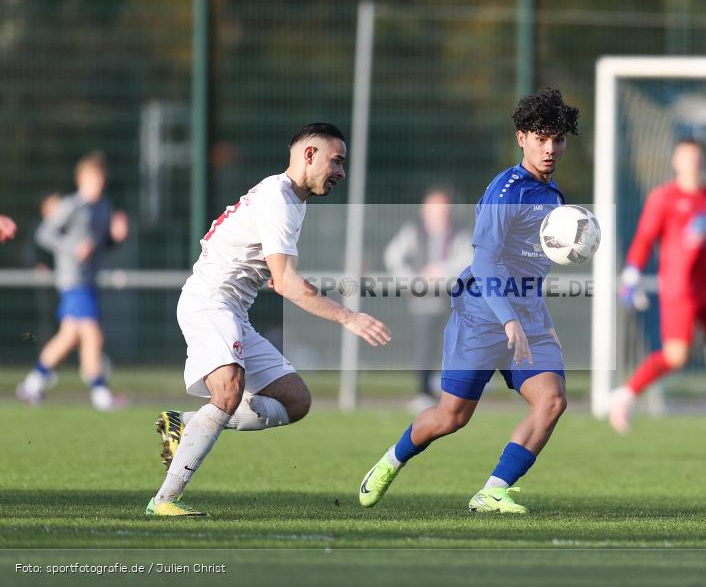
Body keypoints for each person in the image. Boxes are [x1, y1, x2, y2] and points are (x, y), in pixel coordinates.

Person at [146, 123, 391, 517]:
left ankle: (186, 424)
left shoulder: (294, 200)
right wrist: (347, 317)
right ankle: (164, 500)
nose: (341, 172)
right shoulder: (278, 198)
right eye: (337, 161)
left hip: (233, 311)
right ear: (309, 155)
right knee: (228, 390)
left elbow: (280, 280)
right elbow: (287, 283)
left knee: (295, 401)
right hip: (210, 303)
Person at [358, 88, 577, 514]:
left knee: (552, 400)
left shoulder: (555, 200)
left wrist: (539, 321)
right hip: (481, 315)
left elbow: (534, 271)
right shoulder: (506, 190)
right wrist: (508, 320)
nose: (550, 148)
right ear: (521, 138)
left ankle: (493, 490)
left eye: (558, 140)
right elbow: (486, 261)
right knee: (451, 417)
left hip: (525, 316)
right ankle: (391, 461)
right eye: (540, 138)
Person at [611, 138, 706, 437]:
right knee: (676, 356)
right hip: (679, 288)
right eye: (686, 157)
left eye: (696, 157)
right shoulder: (663, 198)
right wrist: (631, 275)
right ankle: (626, 393)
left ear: (703, 161)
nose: (692, 163)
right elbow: (645, 237)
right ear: (675, 162)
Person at [16, 152, 129, 411]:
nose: (98, 184)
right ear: (81, 180)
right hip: (72, 280)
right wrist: (72, 246)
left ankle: (33, 383)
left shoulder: (103, 207)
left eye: (101, 179)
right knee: (92, 333)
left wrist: (116, 237)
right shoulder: (71, 206)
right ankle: (100, 392)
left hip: (89, 281)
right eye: (93, 179)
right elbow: (44, 234)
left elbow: (101, 245)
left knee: (68, 337)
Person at [383, 187, 471, 413]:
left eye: (443, 208)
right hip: (422, 302)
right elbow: (393, 257)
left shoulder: (459, 233)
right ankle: (424, 393)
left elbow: (468, 261)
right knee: (425, 348)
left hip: (453, 302)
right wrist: (414, 281)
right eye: (435, 208)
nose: (440, 213)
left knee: (455, 347)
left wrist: (440, 272)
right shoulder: (413, 232)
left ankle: (455, 393)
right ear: (425, 210)